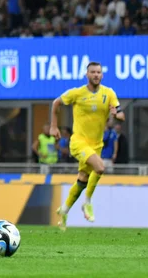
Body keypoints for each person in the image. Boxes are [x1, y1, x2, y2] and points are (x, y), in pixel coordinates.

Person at [50, 62, 125, 231]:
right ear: (87, 75)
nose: (96, 75)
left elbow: (121, 114)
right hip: (78, 142)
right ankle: (87, 202)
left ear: (102, 75)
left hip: (96, 144)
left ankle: (64, 210)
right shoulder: (77, 93)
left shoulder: (109, 93)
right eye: (93, 72)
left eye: (99, 72)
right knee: (100, 167)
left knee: (82, 179)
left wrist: (117, 115)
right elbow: (56, 103)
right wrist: (54, 126)